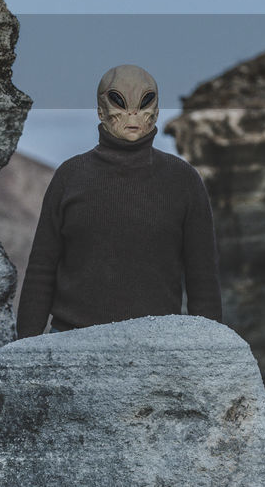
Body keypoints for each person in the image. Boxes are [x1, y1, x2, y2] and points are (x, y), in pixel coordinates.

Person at [15, 64, 222, 338]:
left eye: (143, 103)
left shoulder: (183, 180)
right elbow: (42, 268)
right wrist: (27, 346)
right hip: (72, 343)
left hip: (157, 348)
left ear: (156, 111)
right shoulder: (70, 176)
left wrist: (209, 351)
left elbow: (202, 279)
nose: (132, 114)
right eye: (120, 103)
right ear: (101, 111)